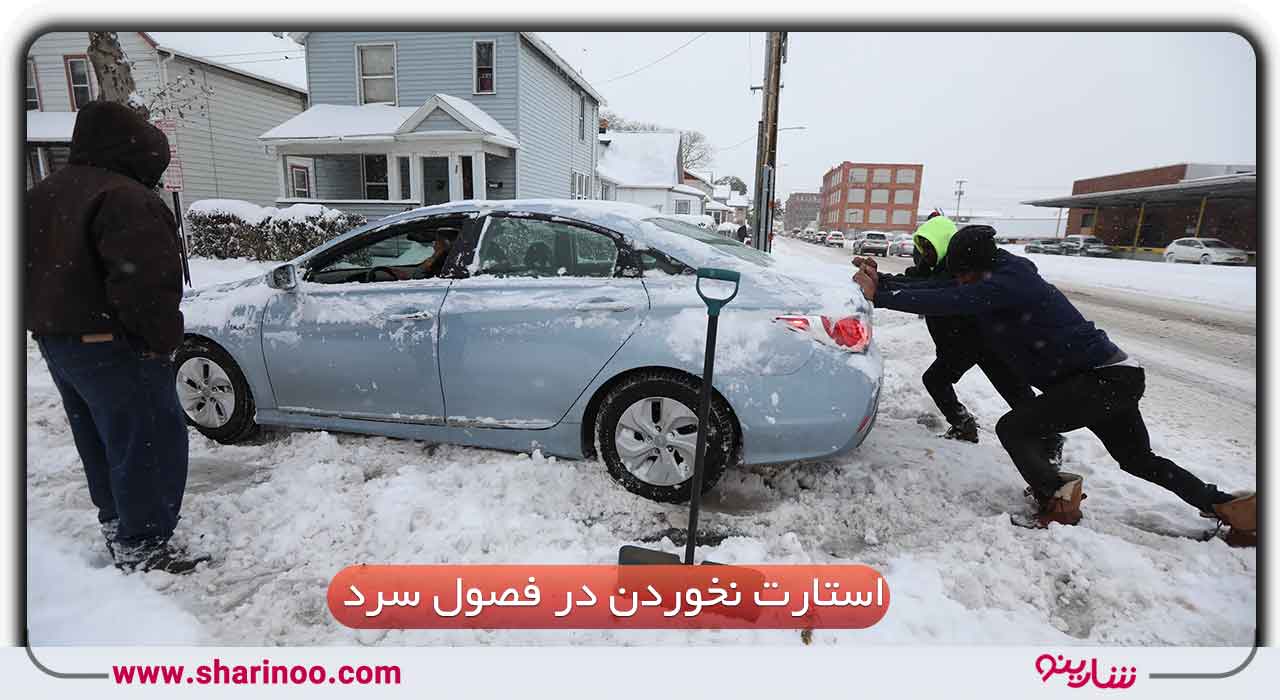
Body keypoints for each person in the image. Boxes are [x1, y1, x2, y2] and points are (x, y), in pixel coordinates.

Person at [852, 226, 1256, 544]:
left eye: (965, 274)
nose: (960, 281)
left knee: (1014, 427)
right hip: (1116, 376)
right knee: (1137, 460)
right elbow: (943, 286)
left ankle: (1057, 499)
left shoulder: (1006, 285)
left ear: (979, 267)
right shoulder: (1001, 271)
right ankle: (1229, 508)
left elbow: (950, 299)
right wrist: (883, 283)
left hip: (1101, 381)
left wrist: (882, 297)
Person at [26, 101, 207, 573]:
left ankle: (117, 523)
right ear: (135, 150)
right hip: (116, 344)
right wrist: (161, 341)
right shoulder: (123, 197)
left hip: (58, 342)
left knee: (100, 438)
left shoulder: (42, 193)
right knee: (147, 440)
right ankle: (143, 544)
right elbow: (144, 284)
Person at [856, 217, 1064, 461]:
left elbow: (936, 295)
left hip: (983, 342)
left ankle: (1048, 439)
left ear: (943, 244)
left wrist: (880, 295)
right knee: (944, 381)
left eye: (929, 247)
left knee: (1014, 392)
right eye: (921, 247)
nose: (924, 253)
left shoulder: (959, 269)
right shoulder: (935, 269)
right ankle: (965, 424)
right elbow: (916, 282)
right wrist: (881, 280)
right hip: (962, 343)